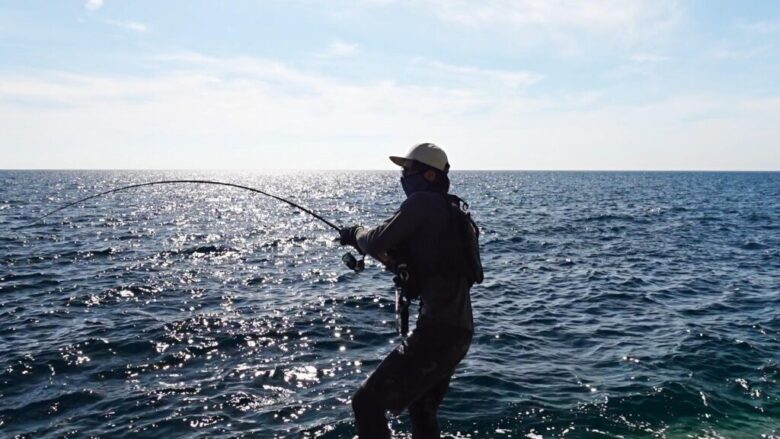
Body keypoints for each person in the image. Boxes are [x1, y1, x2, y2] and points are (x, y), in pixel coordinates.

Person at [339, 142, 482, 439]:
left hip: (437, 332)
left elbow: (375, 240)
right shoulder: (454, 213)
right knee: (422, 407)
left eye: (408, 170)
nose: (403, 176)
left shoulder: (423, 204)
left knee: (366, 403)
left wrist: (354, 234)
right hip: (460, 332)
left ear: (429, 176)